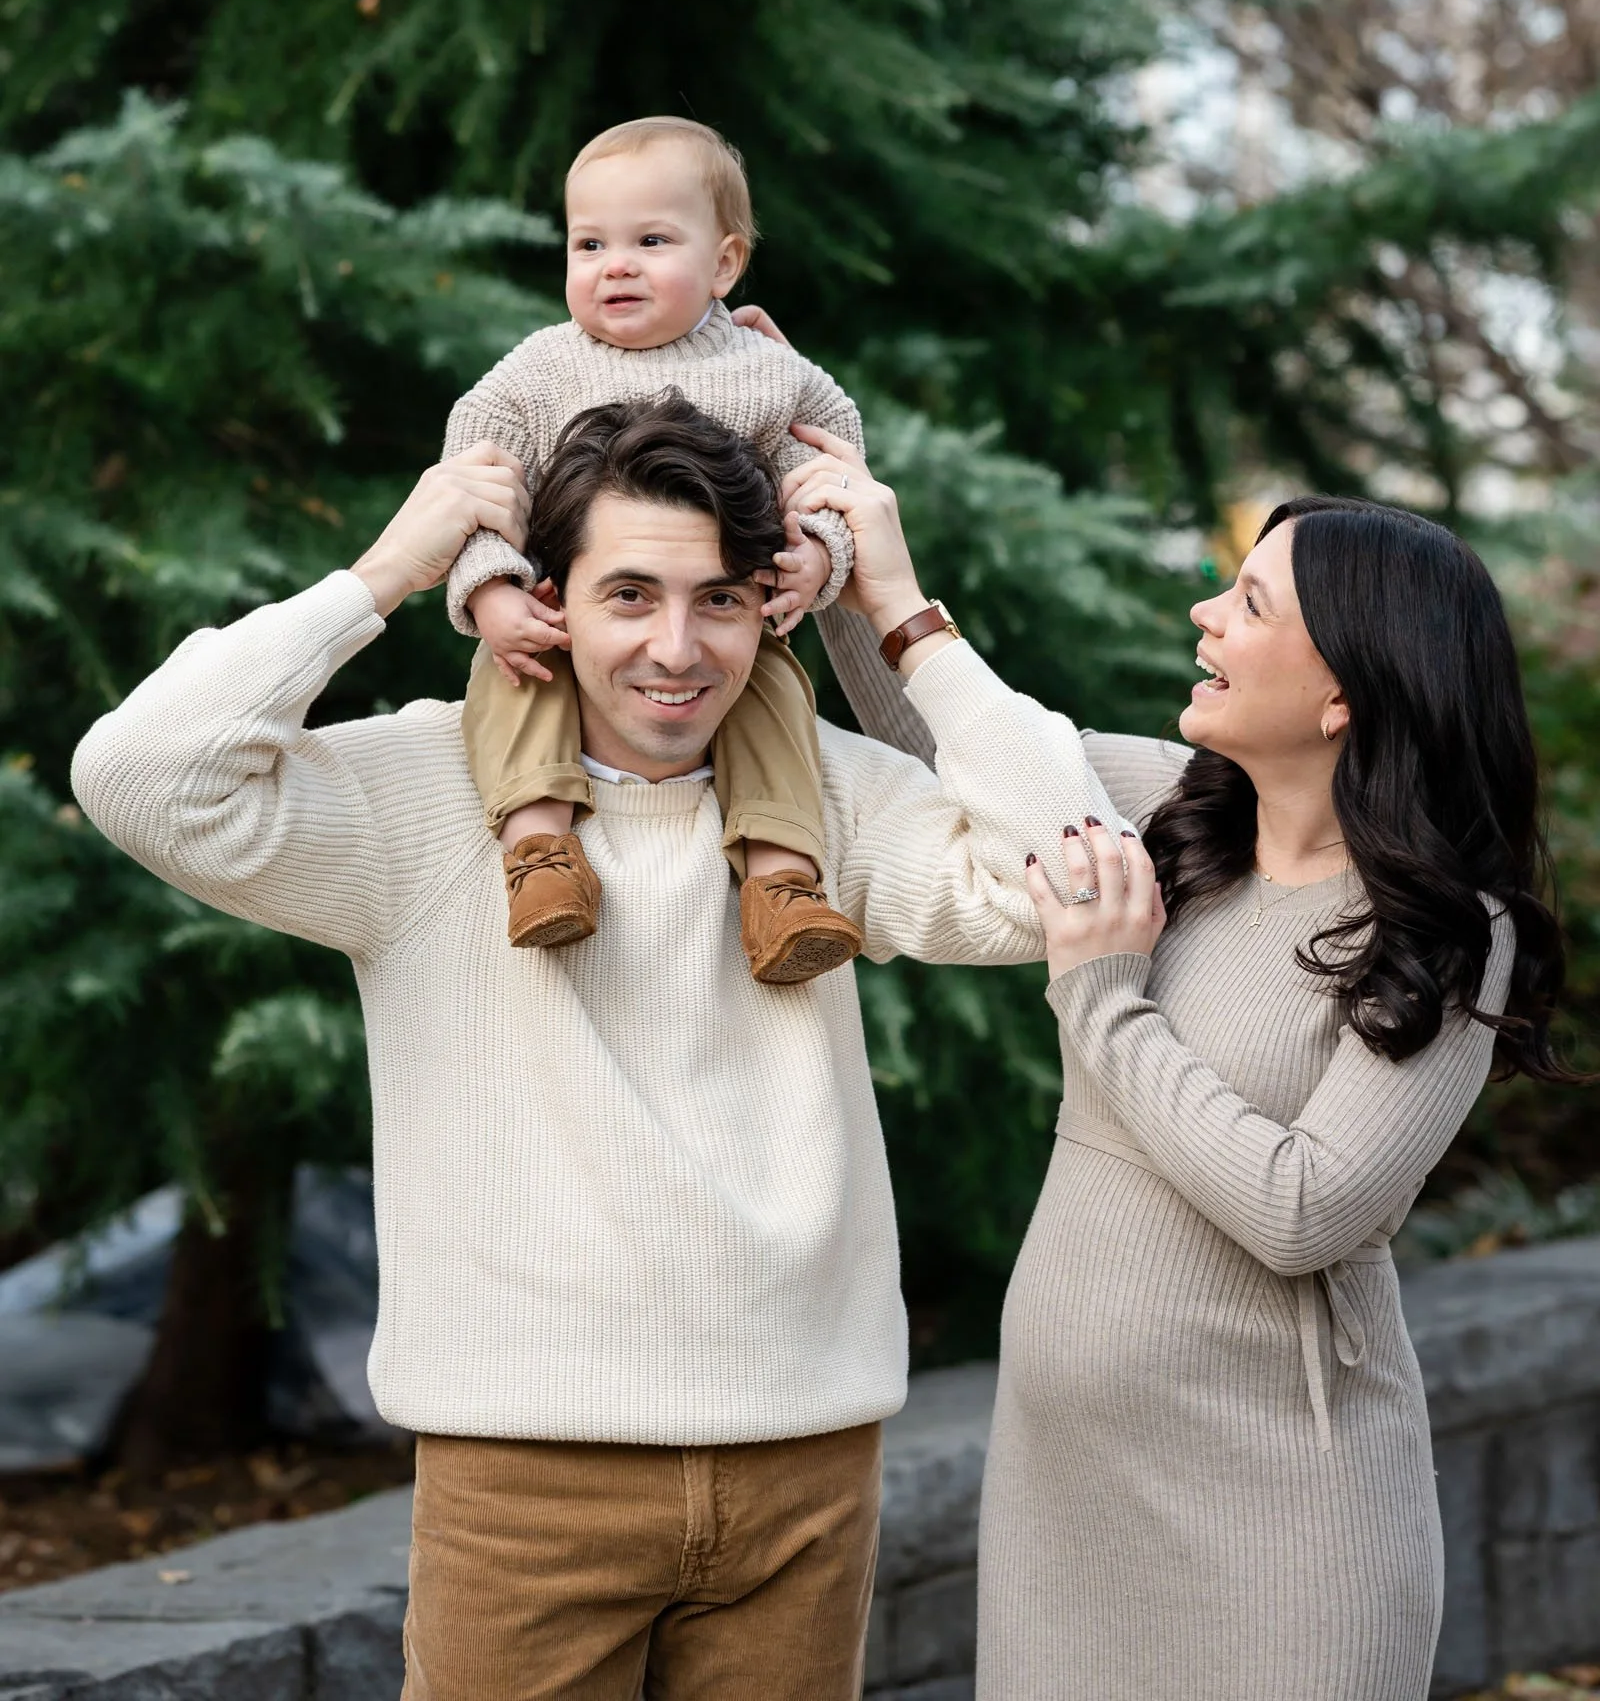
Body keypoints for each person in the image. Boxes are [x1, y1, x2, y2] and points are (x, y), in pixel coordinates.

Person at [70, 392, 1125, 1701]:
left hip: (806, 1464)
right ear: (548, 599)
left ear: (768, 608)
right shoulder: (421, 793)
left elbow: (1068, 879)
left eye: (722, 601)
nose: (679, 649)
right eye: (629, 596)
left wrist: (905, 615)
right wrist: (396, 569)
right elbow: (140, 773)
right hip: (526, 1481)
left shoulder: (826, 796)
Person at [975, 495, 1573, 1701]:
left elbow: (1303, 1208)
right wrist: (864, 579)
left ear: (1340, 693)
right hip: (1060, 1506)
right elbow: (962, 745)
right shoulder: (1178, 818)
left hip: (1281, 1532)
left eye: (1249, 601)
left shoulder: (1448, 935)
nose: (1204, 610)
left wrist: (1099, 993)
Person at [444, 113, 874, 985]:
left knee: (775, 703)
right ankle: (539, 854)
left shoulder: (764, 370)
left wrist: (820, 555)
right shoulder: (540, 370)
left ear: (724, 263)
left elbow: (830, 465)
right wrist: (493, 592)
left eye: (650, 239)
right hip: (563, 615)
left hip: (729, 622)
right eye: (589, 244)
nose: (617, 265)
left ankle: (781, 883)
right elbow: (473, 475)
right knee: (517, 681)